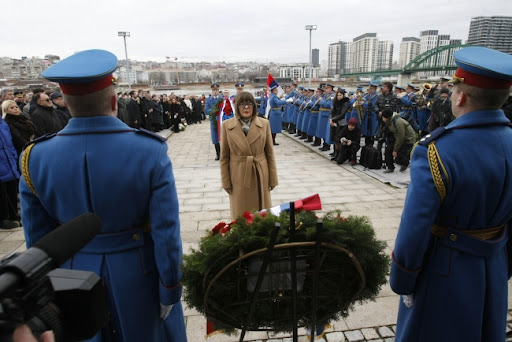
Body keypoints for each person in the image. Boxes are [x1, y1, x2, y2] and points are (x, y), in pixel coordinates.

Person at [19, 49, 186, 342]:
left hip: (71, 277)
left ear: (67, 103)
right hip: (137, 272)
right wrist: (170, 288)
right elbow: (166, 232)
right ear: (113, 100)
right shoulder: (149, 151)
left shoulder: (34, 158)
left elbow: (38, 241)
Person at [389, 46, 512, 342]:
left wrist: (403, 279)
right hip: (494, 267)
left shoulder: (435, 150)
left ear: (460, 96)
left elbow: (415, 227)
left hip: (444, 272)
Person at [220, 92, 278, 221]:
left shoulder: (264, 124)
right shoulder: (227, 126)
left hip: (260, 172)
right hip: (238, 174)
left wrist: (273, 179)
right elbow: (224, 157)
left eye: (249, 104)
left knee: (261, 215)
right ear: (237, 107)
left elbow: (269, 154)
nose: (246, 108)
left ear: (254, 106)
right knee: (241, 214)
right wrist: (226, 181)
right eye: (242, 104)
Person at [0, 102, 21, 229]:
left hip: (8, 160)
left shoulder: (3, 123)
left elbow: (9, 143)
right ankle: (3, 218)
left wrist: (13, 157)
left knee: (11, 189)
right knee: (2, 193)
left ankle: (13, 214)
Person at [381, 108, 416, 173]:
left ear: (387, 117)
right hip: (397, 138)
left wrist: (395, 150)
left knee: (399, 153)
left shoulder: (398, 122)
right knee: (388, 151)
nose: (383, 119)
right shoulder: (389, 121)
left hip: (408, 139)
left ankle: (406, 163)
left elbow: (401, 137)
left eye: (383, 117)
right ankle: (390, 167)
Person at [329, 89, 352, 161]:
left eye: (340, 95)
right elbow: (332, 112)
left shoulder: (345, 103)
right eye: (338, 95)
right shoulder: (335, 102)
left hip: (341, 123)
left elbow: (342, 114)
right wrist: (331, 120)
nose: (339, 97)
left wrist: (333, 119)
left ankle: (340, 155)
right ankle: (335, 153)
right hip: (334, 122)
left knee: (339, 139)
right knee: (335, 139)